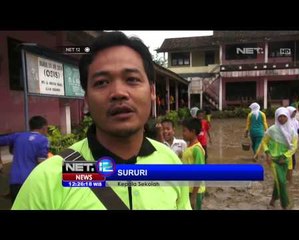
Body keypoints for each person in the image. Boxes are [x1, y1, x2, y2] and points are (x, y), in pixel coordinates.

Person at [12, 31, 191, 210]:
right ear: (87, 99)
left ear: (152, 92)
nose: (119, 92)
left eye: (132, 79)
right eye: (102, 83)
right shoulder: (47, 179)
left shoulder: (171, 163)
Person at [0, 116, 49, 203]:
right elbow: (41, 162)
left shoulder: (18, 136)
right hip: (30, 181)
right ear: (44, 127)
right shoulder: (43, 140)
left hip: (14, 180)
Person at [261, 107, 298, 209]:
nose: (282, 119)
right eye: (280, 116)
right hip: (273, 159)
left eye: (284, 116)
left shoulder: (292, 131)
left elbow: (294, 147)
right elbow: (264, 142)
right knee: (281, 181)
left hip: (285, 160)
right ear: (276, 117)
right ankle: (285, 204)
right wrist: (267, 154)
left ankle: (273, 200)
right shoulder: (272, 130)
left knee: (279, 180)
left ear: (287, 117)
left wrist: (285, 156)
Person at [181, 118, 205, 210]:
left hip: (195, 191)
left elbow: (199, 173)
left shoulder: (197, 149)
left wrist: (194, 196)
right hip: (188, 188)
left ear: (193, 131)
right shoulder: (189, 146)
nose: (183, 133)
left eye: (185, 131)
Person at [286, 106, 299, 183]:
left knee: (292, 161)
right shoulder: (284, 120)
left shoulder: (295, 121)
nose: (294, 114)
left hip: (293, 144)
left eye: (295, 112)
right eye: (293, 112)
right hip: (284, 143)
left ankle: (289, 177)